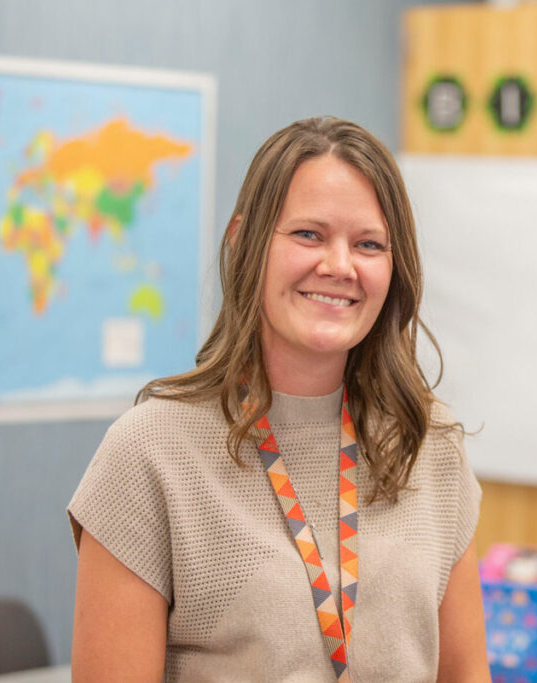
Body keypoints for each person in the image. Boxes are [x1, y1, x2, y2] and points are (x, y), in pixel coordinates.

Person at [67, 116, 489, 682]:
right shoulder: (150, 451)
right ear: (245, 241)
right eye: (309, 234)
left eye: (368, 244)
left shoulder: (428, 442)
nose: (339, 266)